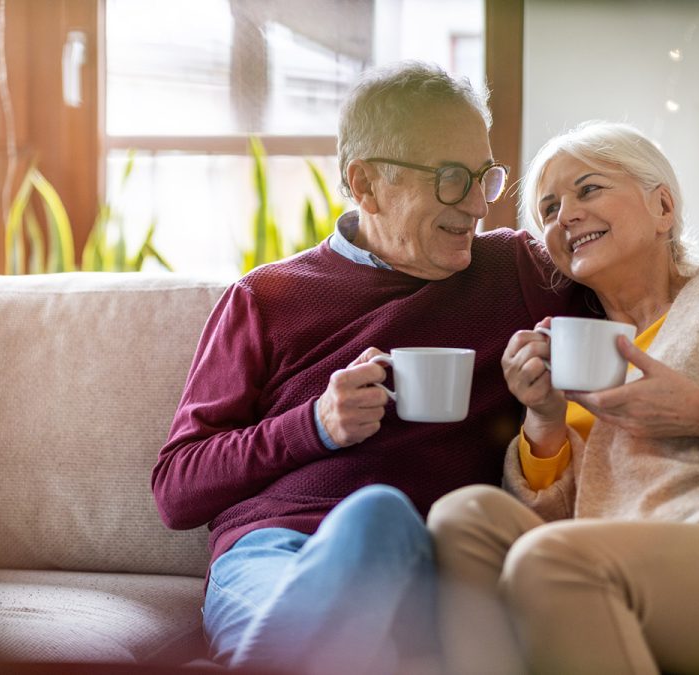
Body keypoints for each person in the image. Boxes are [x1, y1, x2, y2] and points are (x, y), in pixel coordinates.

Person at [150, 62, 594, 675]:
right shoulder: (265, 298)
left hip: (431, 564)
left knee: (385, 524)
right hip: (276, 555)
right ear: (366, 184)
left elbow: (649, 282)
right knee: (373, 522)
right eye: (449, 178)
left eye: (483, 177)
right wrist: (314, 424)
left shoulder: (519, 271)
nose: (474, 205)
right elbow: (176, 490)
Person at [428, 120, 699, 675]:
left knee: (553, 561)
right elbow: (581, 515)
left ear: (662, 207)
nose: (565, 215)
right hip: (619, 555)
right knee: (463, 516)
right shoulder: (574, 351)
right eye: (548, 209)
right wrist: (544, 419)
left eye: (587, 190)